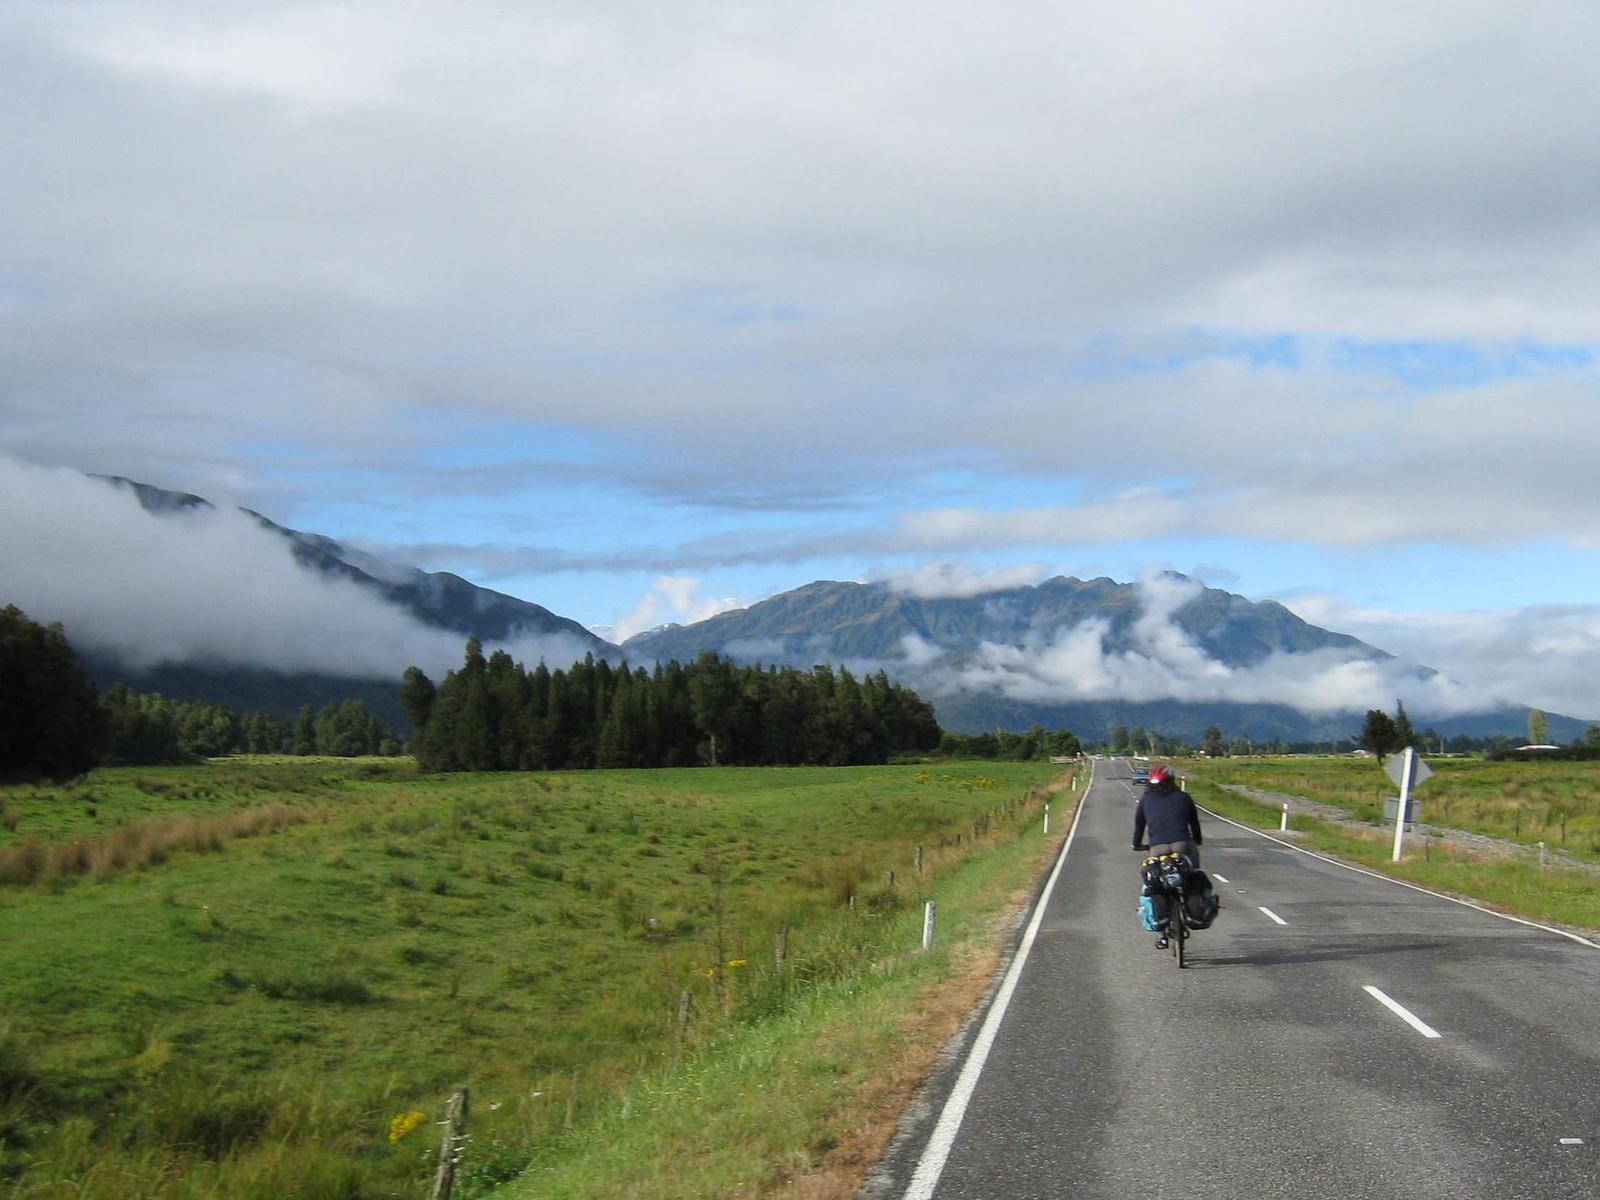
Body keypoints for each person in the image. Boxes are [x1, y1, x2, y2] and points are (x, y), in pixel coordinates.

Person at [1132, 765, 1203, 949]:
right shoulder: (1183, 797)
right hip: (1183, 844)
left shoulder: (1146, 799)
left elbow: (1139, 825)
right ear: (1172, 780)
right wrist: (1197, 841)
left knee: (1154, 882)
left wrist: (1136, 845)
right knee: (1193, 873)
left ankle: (1162, 933)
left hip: (1157, 847)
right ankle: (1190, 908)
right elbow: (1194, 822)